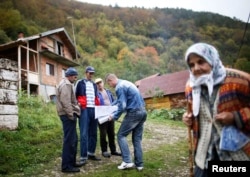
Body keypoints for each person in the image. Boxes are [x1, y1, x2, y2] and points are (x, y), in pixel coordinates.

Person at [182, 42, 250, 177]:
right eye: (192, 65)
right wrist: (188, 118)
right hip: (204, 156)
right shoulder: (191, 86)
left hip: (237, 155)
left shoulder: (239, 80)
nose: (196, 68)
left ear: (212, 60)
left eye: (201, 62)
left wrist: (236, 116)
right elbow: (197, 116)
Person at [105, 74, 147, 171]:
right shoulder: (126, 83)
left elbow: (123, 105)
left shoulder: (119, 87)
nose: (110, 85)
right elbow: (119, 100)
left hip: (134, 113)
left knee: (121, 135)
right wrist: (110, 106)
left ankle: (127, 162)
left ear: (111, 80)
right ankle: (139, 165)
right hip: (143, 112)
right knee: (137, 139)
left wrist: (114, 116)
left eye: (109, 83)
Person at [56, 67, 85, 173]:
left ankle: (72, 162)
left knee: (73, 140)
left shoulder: (68, 84)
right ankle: (66, 167)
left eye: (76, 75)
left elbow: (70, 101)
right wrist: (71, 115)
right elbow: (65, 102)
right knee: (69, 141)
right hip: (67, 115)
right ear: (69, 76)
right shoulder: (65, 85)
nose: (76, 77)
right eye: (74, 75)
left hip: (69, 114)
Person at [75, 66, 101, 164]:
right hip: (84, 109)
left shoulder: (94, 84)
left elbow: (96, 96)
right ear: (86, 73)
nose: (91, 75)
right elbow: (74, 95)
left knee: (93, 132)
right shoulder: (80, 83)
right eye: (90, 73)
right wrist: (77, 105)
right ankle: (83, 156)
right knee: (84, 133)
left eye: (92, 73)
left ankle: (91, 153)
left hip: (93, 109)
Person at [95, 78, 121, 158]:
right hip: (102, 116)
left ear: (103, 83)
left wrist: (114, 112)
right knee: (103, 134)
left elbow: (113, 102)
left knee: (111, 133)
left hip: (110, 115)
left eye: (100, 82)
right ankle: (104, 151)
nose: (99, 84)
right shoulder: (96, 94)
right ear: (96, 85)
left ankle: (113, 150)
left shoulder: (108, 92)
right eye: (97, 83)